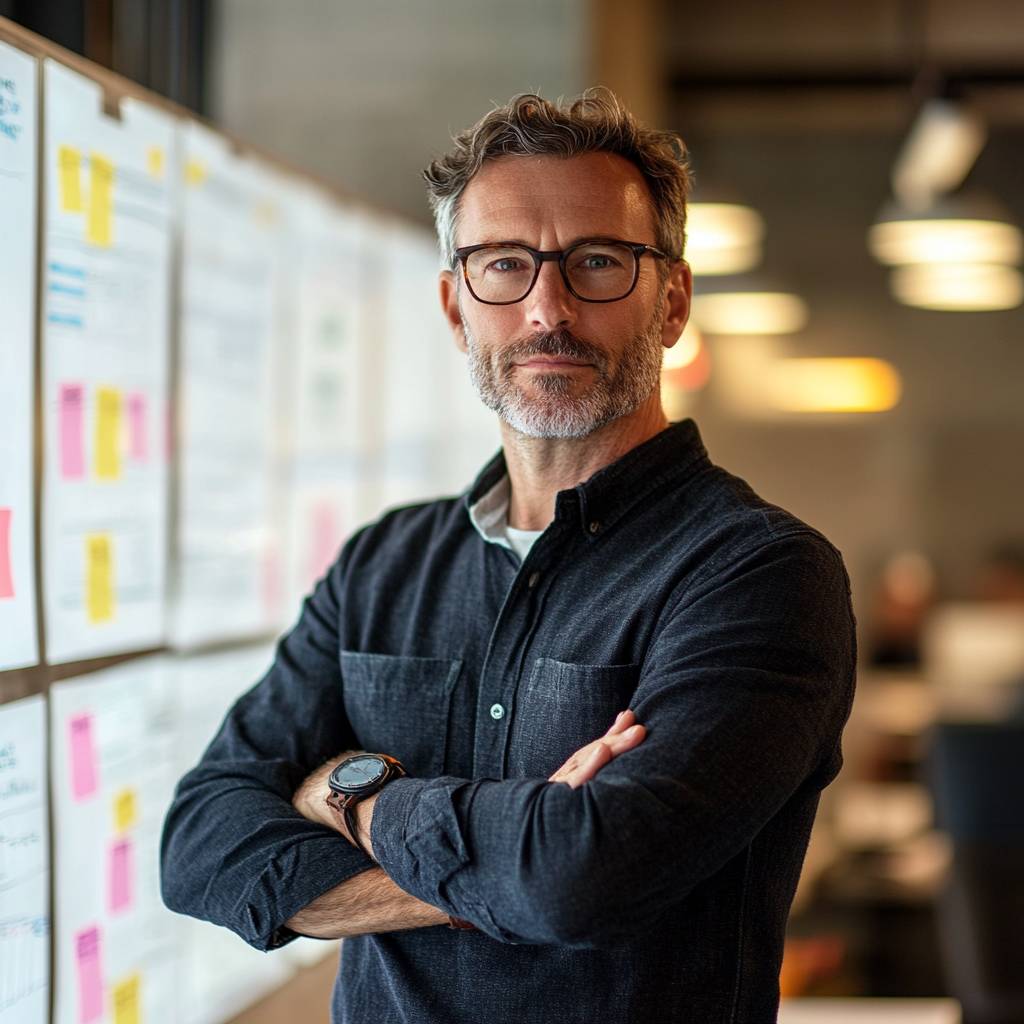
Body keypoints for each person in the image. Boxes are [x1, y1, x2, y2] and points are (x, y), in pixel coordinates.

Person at [160, 89, 857, 1023]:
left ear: (674, 300)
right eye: (503, 266)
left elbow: (580, 880)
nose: (546, 310)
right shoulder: (383, 564)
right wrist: (497, 869)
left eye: (598, 263)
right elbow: (199, 839)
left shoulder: (760, 576)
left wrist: (358, 795)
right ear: (456, 307)